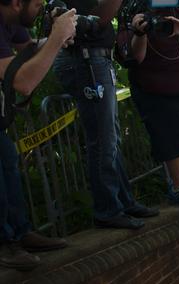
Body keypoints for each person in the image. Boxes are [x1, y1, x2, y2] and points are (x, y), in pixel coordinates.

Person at [54, 0, 159, 229]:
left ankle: (123, 201)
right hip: (86, 61)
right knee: (103, 141)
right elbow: (98, 19)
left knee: (111, 138)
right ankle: (108, 210)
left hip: (95, 61)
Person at [0, 0, 76, 269]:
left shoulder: (11, 22)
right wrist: (55, 39)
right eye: (37, 3)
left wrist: (59, 35)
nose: (41, 6)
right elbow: (22, 81)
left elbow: (28, 50)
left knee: (8, 161)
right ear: (17, 3)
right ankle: (5, 243)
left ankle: (20, 233)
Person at [127, 1, 179, 206]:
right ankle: (178, 186)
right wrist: (140, 32)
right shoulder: (135, 8)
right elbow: (137, 56)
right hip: (160, 90)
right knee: (174, 140)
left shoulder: (178, 4)